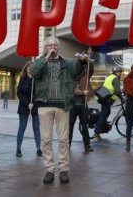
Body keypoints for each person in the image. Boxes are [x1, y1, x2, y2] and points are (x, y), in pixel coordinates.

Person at [31, 36, 88, 184]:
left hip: (63, 105)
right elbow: (35, 72)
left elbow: (77, 70)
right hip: (44, 105)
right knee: (46, 140)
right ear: (45, 48)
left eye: (55, 46)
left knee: (63, 139)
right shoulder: (39, 61)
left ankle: (64, 170)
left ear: (58, 47)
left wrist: (82, 61)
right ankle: (49, 170)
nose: (52, 48)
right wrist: (45, 59)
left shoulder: (66, 62)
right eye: (49, 45)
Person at [16, 61, 42, 158]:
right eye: (28, 67)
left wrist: (33, 103)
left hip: (34, 106)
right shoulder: (22, 78)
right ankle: (18, 148)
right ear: (26, 68)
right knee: (22, 128)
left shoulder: (37, 79)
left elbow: (39, 93)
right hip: (23, 106)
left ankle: (38, 148)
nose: (30, 68)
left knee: (36, 128)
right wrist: (27, 103)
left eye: (32, 67)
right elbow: (19, 93)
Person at [93, 66, 124, 140]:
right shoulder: (115, 78)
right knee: (103, 115)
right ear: (117, 72)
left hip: (103, 97)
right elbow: (117, 90)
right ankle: (96, 132)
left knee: (107, 112)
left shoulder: (109, 76)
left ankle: (103, 126)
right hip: (107, 99)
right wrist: (122, 98)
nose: (120, 74)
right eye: (120, 72)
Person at [69, 61, 94, 154]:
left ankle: (87, 145)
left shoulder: (85, 76)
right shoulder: (69, 77)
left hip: (83, 103)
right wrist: (82, 92)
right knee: (70, 126)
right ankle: (68, 145)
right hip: (72, 104)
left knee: (84, 126)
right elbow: (70, 91)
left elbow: (91, 69)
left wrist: (89, 60)